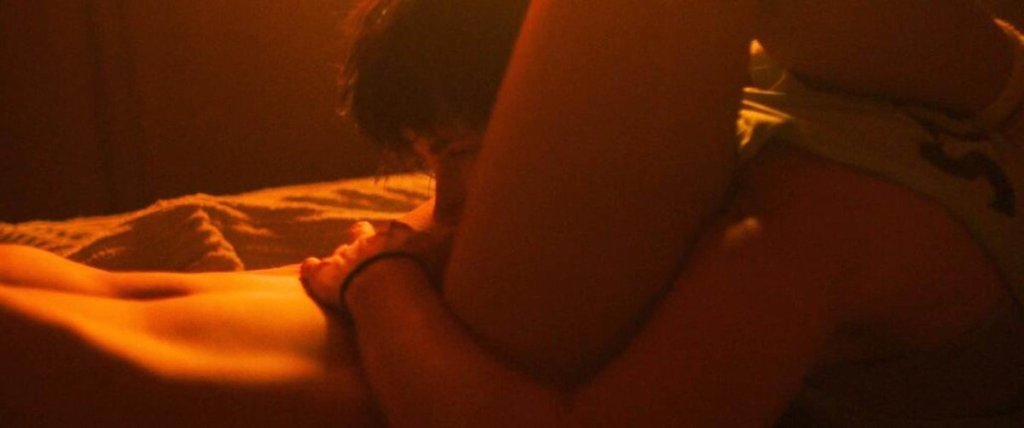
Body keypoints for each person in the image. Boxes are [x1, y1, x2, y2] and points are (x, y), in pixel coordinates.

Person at [0, 0, 1021, 425]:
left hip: (441, 368)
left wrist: (384, 283)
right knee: (103, 296)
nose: (449, 204)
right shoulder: (950, 94)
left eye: (466, 158)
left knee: (107, 352)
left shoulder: (829, 220)